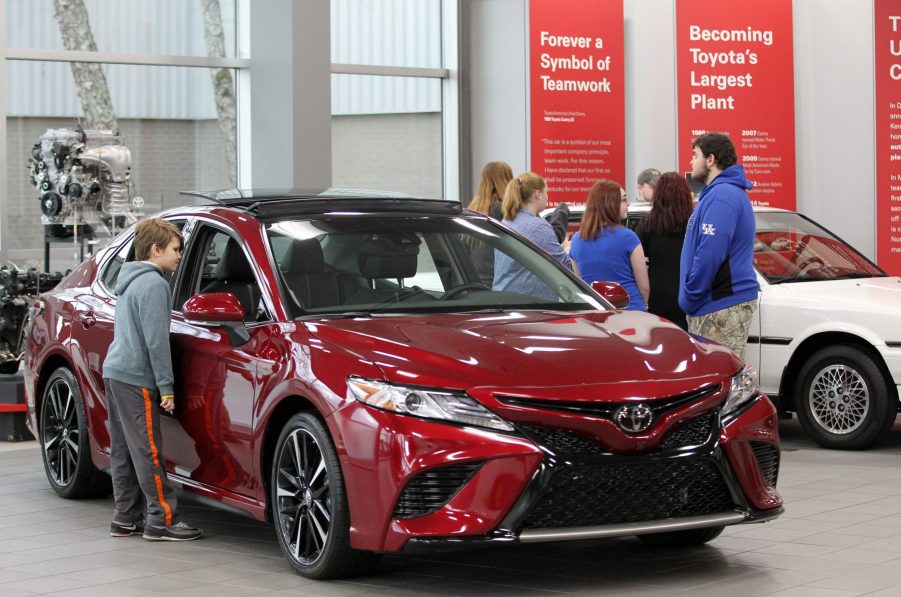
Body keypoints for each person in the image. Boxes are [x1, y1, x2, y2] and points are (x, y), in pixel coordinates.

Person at [102, 218, 203, 541]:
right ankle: (162, 520)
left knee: (123, 450)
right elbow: (156, 341)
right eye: (175, 249)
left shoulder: (129, 280)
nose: (179, 256)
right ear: (156, 249)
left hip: (115, 372)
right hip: (136, 377)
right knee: (149, 451)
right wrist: (166, 388)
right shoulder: (156, 285)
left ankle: (125, 517)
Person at [679, 132, 760, 359]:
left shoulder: (722, 195)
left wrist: (691, 294)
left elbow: (710, 253)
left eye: (695, 155)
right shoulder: (718, 193)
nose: (691, 161)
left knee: (719, 380)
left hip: (718, 306)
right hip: (713, 305)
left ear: (711, 160)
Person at [570, 180, 649, 311]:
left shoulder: (576, 240)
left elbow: (580, 285)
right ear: (609, 204)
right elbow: (644, 288)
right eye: (623, 200)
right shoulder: (628, 237)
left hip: (595, 313)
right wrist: (643, 306)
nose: (628, 204)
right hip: (630, 311)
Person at [493, 172, 573, 301]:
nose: (547, 196)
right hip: (530, 306)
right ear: (538, 194)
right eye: (546, 192)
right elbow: (565, 268)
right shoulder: (538, 227)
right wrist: (567, 249)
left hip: (502, 300)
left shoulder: (505, 223)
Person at [636, 172, 694, 330]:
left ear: (658, 194)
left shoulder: (647, 224)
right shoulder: (694, 223)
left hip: (658, 298)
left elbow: (638, 261)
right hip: (689, 295)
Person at [467, 161, 514, 285]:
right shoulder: (504, 211)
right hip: (497, 281)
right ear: (507, 180)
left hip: (475, 280)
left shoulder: (473, 210)